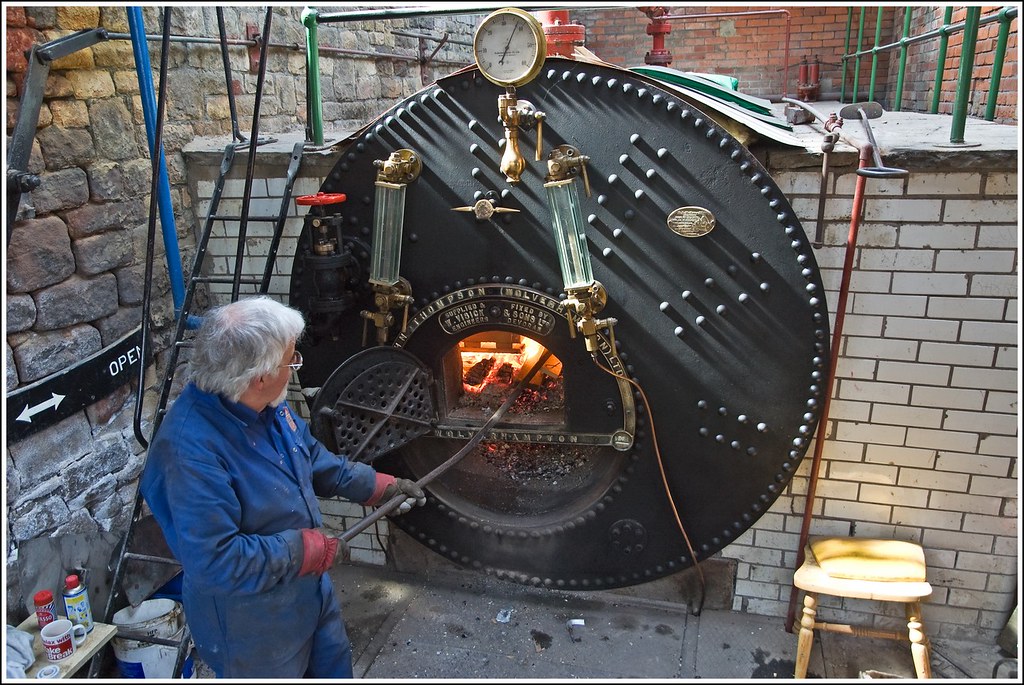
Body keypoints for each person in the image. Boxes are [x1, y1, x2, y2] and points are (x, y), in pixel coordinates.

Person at [140, 295, 425, 678]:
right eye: (292, 360)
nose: (294, 368)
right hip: (250, 621)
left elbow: (312, 459)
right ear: (260, 375)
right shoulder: (189, 453)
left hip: (306, 591)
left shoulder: (263, 404)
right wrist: (302, 550)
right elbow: (216, 561)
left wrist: (377, 486)